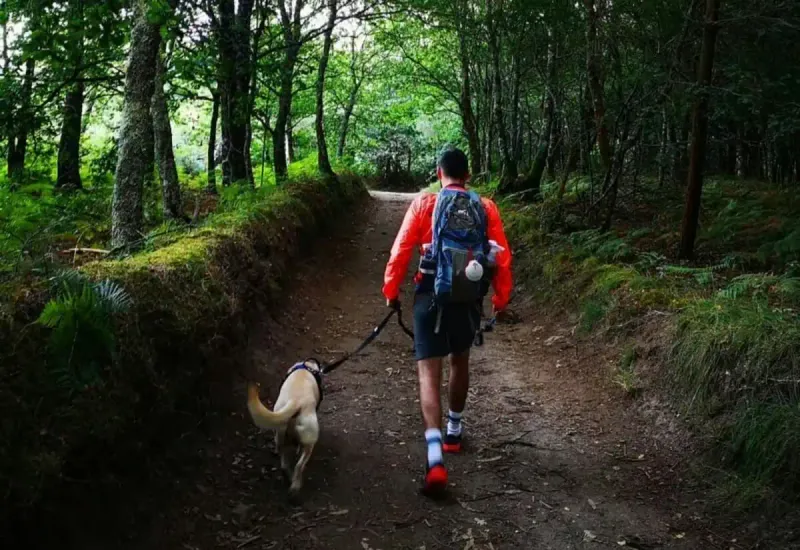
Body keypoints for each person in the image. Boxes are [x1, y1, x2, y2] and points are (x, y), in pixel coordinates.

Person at [382, 147, 512, 496]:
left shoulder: (425, 204)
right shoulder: (485, 207)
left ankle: (436, 457)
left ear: (439, 173)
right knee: (460, 360)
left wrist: (391, 290)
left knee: (429, 371)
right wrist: (500, 299)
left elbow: (401, 250)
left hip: (430, 296)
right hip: (468, 298)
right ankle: (454, 430)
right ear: (467, 175)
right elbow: (501, 255)